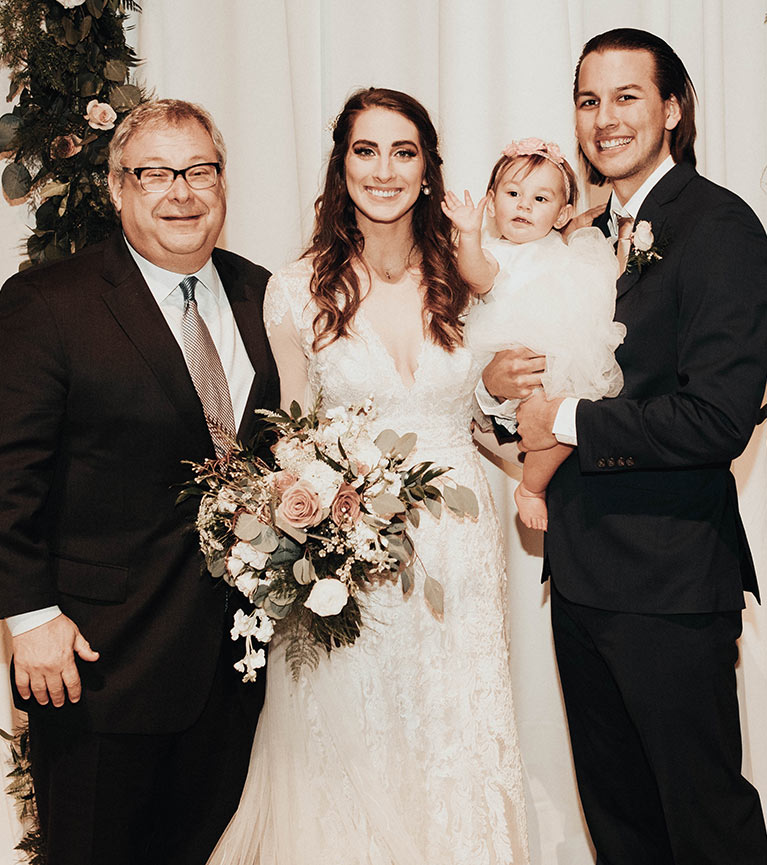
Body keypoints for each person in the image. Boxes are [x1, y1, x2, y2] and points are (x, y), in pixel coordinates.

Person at [207, 87, 529, 865]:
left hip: (461, 549)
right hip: (354, 550)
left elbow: (495, 414)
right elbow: (292, 431)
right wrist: (311, 528)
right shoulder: (296, 289)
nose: (383, 170)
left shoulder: (470, 278)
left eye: (403, 151)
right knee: (356, 727)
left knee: (454, 730)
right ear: (340, 165)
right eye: (365, 150)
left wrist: (535, 468)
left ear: (427, 170)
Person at [483, 28, 767, 865]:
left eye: (625, 96)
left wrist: (564, 419)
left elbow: (719, 416)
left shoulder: (719, 226)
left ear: (671, 109)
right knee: (622, 828)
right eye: (587, 99)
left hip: (671, 585)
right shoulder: (573, 231)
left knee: (704, 824)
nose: (602, 119)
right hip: (579, 574)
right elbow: (546, 382)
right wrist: (499, 387)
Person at [0, 99, 279, 865]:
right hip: (98, 666)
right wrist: (29, 616)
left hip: (234, 671)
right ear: (118, 188)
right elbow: (7, 472)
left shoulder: (266, 297)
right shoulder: (47, 304)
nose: (181, 193)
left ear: (223, 182)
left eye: (199, 171)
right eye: (155, 173)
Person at [443, 137, 624, 531]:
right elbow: (477, 277)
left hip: (565, 357)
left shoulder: (571, 251)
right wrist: (470, 235)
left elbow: (602, 291)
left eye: (541, 199)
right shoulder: (497, 252)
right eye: (513, 193)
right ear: (491, 203)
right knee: (546, 421)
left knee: (570, 422)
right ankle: (532, 487)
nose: (524, 205)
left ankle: (531, 486)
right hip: (519, 358)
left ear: (562, 214)